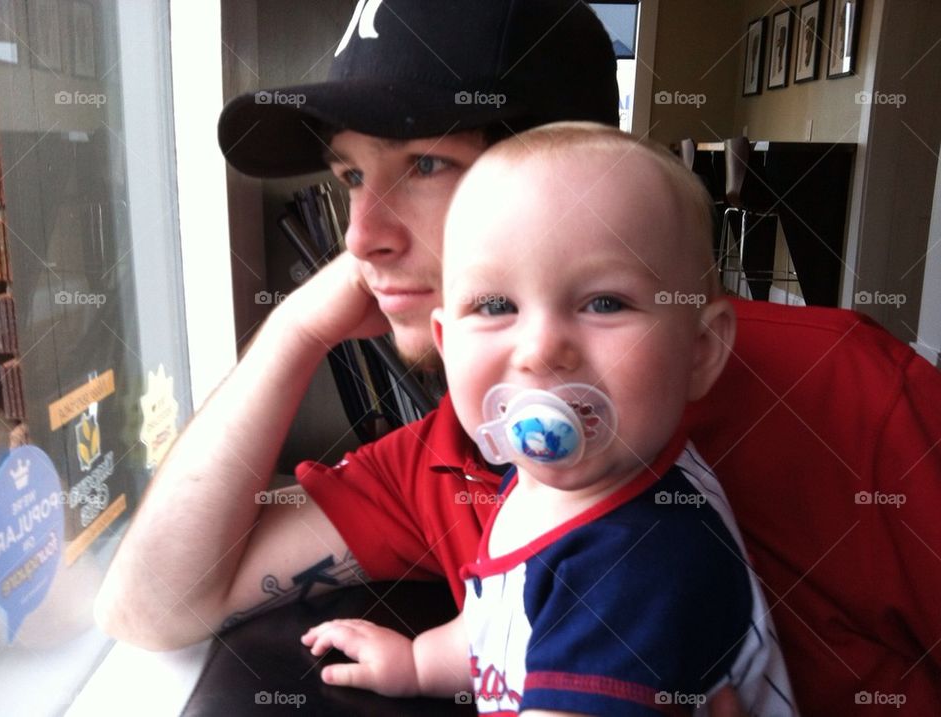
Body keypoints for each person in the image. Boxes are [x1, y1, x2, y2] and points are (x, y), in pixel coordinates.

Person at [95, 1, 941, 714]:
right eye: (350, 176)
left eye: (425, 163)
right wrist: (293, 333)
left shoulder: (839, 383)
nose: (360, 239)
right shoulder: (447, 456)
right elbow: (154, 605)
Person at [301, 123, 798, 715]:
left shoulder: (639, 559)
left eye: (604, 303)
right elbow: (503, 622)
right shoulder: (541, 483)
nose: (540, 349)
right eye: (494, 305)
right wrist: (415, 664)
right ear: (446, 340)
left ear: (699, 350)